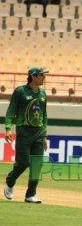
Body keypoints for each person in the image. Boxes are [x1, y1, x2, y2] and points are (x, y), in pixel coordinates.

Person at [3, 67, 49, 204]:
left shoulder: (42, 93)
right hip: (24, 131)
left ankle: (30, 195)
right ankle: (10, 182)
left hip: (39, 132)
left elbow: (44, 115)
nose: (44, 78)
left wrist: (45, 134)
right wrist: (8, 128)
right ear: (33, 77)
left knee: (36, 165)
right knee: (23, 163)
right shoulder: (20, 91)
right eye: (41, 75)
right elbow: (11, 110)